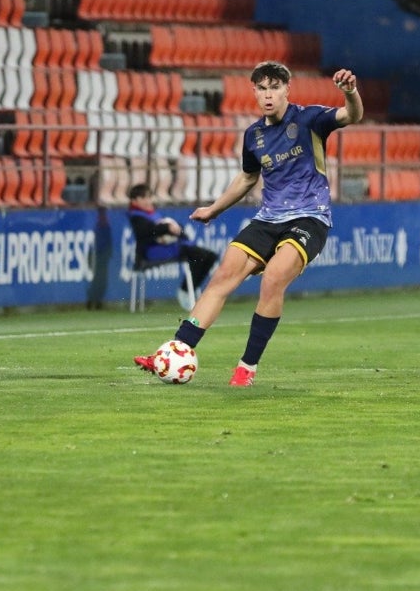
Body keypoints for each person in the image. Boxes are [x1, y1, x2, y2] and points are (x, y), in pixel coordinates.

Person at [134, 62, 364, 387]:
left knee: (272, 280)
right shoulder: (254, 135)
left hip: (309, 218)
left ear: (287, 89)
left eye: (274, 88)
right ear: (254, 92)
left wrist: (350, 92)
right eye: (262, 89)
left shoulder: (310, 119)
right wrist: (214, 209)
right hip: (267, 219)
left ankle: (247, 367)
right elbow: (247, 178)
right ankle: (176, 349)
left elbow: (351, 116)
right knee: (221, 279)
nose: (268, 95)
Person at [127, 183, 219, 311]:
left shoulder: (153, 213)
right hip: (151, 251)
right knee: (198, 255)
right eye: (145, 198)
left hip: (168, 247)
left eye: (149, 197)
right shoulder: (136, 216)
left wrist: (177, 230)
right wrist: (167, 228)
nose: (149, 201)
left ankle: (189, 289)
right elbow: (147, 231)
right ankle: (185, 291)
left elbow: (170, 227)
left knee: (211, 256)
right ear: (135, 201)